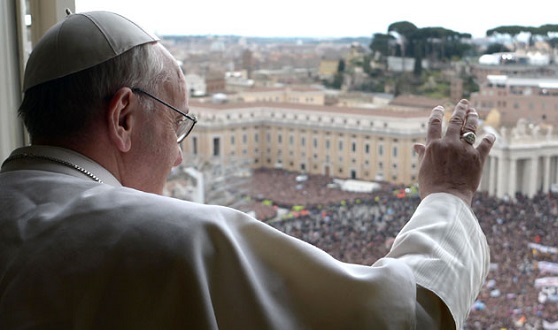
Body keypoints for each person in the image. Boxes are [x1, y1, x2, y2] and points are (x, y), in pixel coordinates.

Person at [0, 10, 495, 330]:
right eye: (175, 124)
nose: (177, 156)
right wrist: (449, 195)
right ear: (123, 117)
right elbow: (408, 319)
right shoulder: (182, 241)